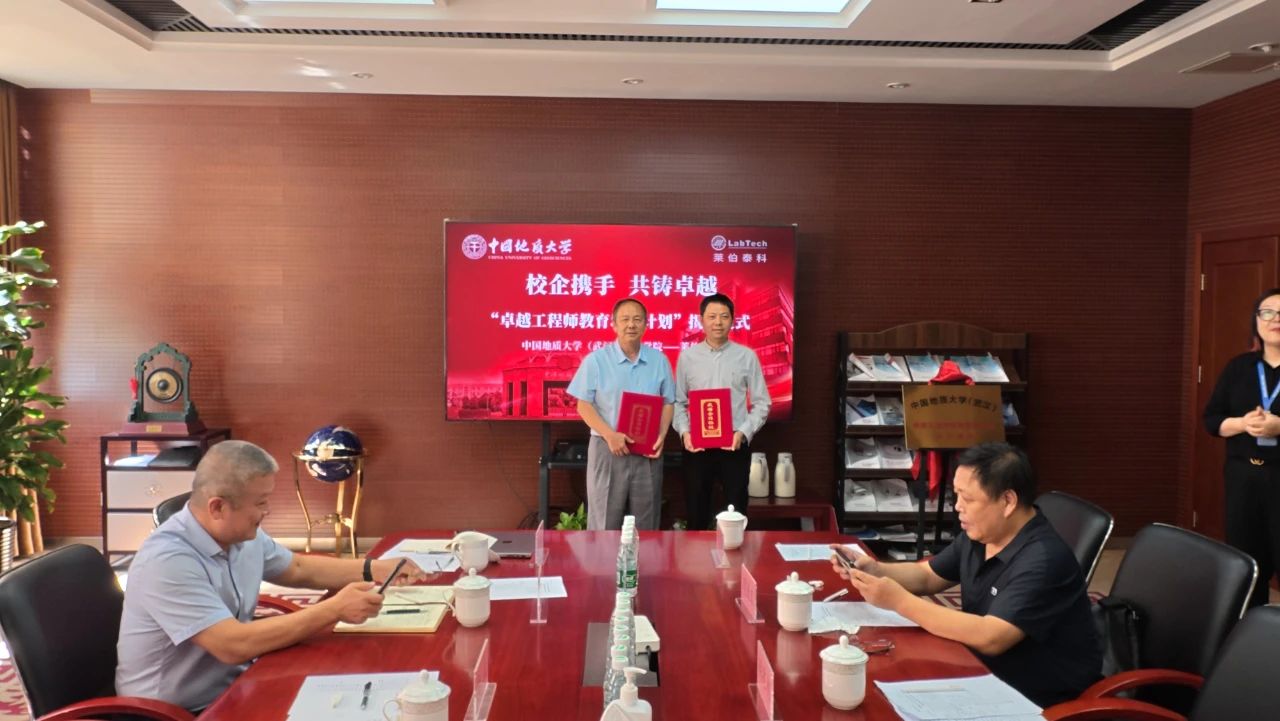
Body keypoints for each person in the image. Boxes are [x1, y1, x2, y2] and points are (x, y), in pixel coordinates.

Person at [116, 440, 431, 712]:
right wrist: (334, 609)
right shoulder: (167, 561)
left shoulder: (238, 535)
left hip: (236, 684)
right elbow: (232, 645)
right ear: (218, 508)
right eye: (261, 502)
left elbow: (297, 568)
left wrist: (374, 568)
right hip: (175, 711)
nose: (267, 511)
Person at [830, 443, 1100, 707]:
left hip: (1034, 695)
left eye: (968, 499)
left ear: (1007, 501)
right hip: (978, 665)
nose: (957, 506)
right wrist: (876, 569)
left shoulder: (1043, 559)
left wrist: (899, 601)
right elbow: (928, 575)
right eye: (956, 495)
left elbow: (991, 637)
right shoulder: (982, 533)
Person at [566, 297, 675, 530]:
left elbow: (668, 402)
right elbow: (583, 405)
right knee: (604, 522)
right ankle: (602, 557)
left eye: (637, 319)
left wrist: (662, 434)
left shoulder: (659, 361)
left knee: (646, 523)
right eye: (625, 319)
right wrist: (610, 435)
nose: (631, 325)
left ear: (646, 324)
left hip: (647, 451)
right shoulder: (596, 361)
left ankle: (645, 557)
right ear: (614, 324)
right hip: (607, 449)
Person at [1203, 287, 1280, 607]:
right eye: (1268, 312)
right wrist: (1243, 424)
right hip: (1242, 477)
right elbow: (1212, 420)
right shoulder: (1239, 367)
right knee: (1247, 565)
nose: (1275, 319)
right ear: (1256, 321)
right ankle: (1250, 630)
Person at [672, 293, 771, 530]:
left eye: (724, 316)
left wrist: (743, 432)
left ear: (733, 320)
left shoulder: (747, 356)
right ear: (701, 320)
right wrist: (685, 433)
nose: (718, 322)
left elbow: (762, 403)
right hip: (697, 447)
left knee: (736, 511)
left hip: (734, 445)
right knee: (696, 511)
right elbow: (677, 402)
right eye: (712, 316)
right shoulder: (687, 357)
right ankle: (697, 555)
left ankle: (735, 554)